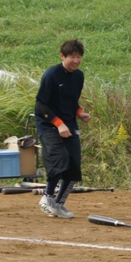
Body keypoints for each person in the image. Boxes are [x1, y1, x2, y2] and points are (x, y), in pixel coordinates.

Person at [35, 39, 91, 220]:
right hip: (49, 125)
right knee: (59, 160)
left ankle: (58, 204)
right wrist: (58, 124)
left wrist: (80, 113)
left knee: (73, 168)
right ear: (62, 56)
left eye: (79, 57)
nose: (76, 61)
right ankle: (47, 198)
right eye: (72, 57)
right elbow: (41, 106)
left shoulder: (78, 76)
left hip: (69, 124)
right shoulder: (51, 75)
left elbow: (72, 101)